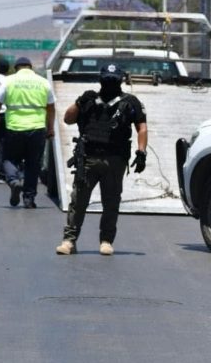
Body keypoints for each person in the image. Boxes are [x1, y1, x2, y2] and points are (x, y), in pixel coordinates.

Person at [55, 63, 148, 256]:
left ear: (120, 80)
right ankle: (69, 241)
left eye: (113, 80)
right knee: (78, 201)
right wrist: (79, 102)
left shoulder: (130, 102)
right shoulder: (89, 100)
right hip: (88, 158)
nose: (110, 83)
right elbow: (67, 119)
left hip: (115, 160)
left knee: (111, 202)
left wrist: (141, 152)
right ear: (100, 80)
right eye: (107, 80)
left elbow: (142, 127)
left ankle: (106, 240)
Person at [0, 57, 55, 209]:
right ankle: (29, 199)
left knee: (8, 160)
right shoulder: (43, 82)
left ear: (16, 68)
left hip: (14, 128)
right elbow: (51, 107)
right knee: (33, 164)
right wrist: (50, 128)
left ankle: (13, 181)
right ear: (31, 68)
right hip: (37, 129)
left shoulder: (9, 81)